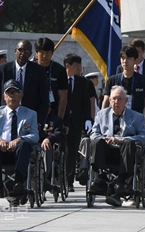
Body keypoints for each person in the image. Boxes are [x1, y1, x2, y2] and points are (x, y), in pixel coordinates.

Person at [89, 86, 145, 207]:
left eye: (119, 99)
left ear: (126, 101)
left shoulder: (137, 117)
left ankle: (122, 181)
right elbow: (93, 133)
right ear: (109, 100)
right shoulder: (101, 115)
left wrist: (120, 140)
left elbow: (144, 137)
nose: (116, 102)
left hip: (125, 152)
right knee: (96, 142)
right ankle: (101, 178)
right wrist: (103, 139)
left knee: (129, 143)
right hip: (107, 150)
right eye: (114, 99)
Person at [0, 80, 39, 199]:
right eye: (9, 93)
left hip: (19, 153)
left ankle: (18, 182)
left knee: (23, 144)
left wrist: (19, 139)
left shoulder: (30, 114)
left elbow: (35, 136)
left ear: (21, 95)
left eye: (15, 92)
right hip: (0, 152)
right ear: (4, 96)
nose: (12, 96)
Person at [0, 40, 50, 129]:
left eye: (26, 51)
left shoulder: (39, 71)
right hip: (5, 118)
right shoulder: (3, 70)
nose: (22, 53)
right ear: (15, 51)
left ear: (30, 53)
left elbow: (44, 99)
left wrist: (39, 122)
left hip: (29, 119)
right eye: (20, 50)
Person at [63, 54, 92, 192]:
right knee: (60, 150)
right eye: (76, 66)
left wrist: (88, 119)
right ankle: (56, 177)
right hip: (61, 122)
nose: (80, 68)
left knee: (72, 152)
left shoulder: (82, 82)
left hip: (76, 122)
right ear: (68, 66)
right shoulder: (60, 79)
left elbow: (86, 102)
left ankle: (69, 180)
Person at [103, 46, 145, 119]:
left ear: (135, 60)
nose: (125, 61)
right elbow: (105, 102)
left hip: (136, 120)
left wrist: (143, 121)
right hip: (115, 118)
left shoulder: (144, 80)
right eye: (123, 58)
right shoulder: (112, 80)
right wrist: (103, 119)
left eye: (128, 58)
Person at [116, 39, 145, 113]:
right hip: (125, 108)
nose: (135, 55)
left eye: (138, 52)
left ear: (143, 51)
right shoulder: (121, 68)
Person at [35, 37, 69, 134]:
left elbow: (63, 96)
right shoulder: (31, 68)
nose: (45, 56)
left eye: (48, 52)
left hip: (53, 113)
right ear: (37, 53)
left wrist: (60, 119)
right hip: (34, 113)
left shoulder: (59, 70)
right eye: (42, 52)